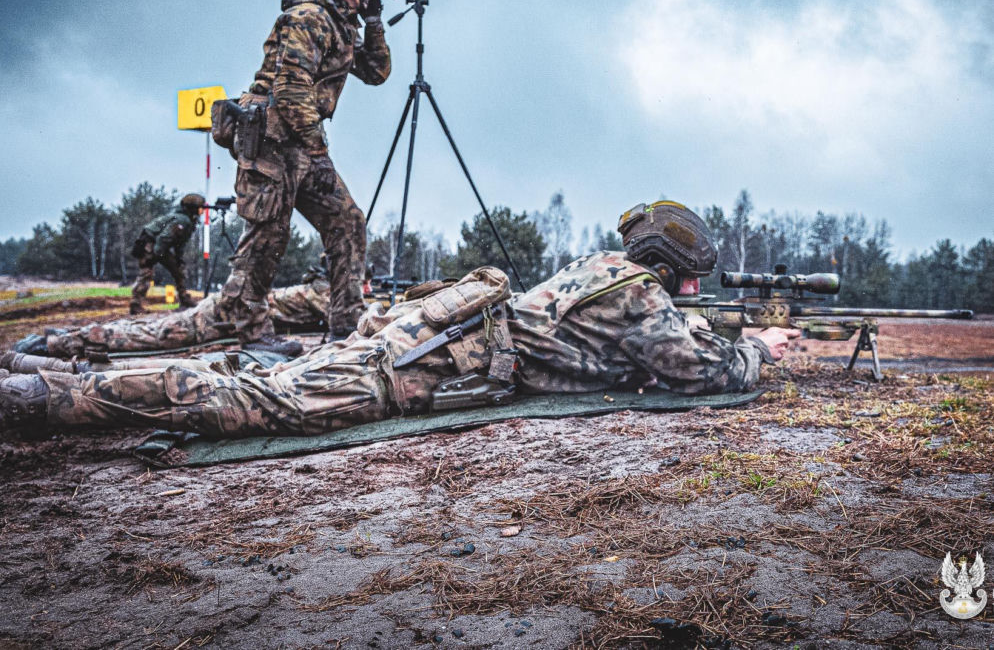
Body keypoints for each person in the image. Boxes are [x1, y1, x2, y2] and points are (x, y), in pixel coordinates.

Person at [0, 201, 797, 437]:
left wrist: (725, 329)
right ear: (674, 270)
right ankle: (37, 401)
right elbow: (702, 375)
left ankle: (48, 375)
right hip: (418, 365)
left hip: (422, 339)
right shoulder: (641, 297)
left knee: (255, 374)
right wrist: (758, 348)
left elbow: (642, 341)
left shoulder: (603, 272)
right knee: (243, 401)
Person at [216, 0, 391, 354]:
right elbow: (292, 90)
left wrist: (375, 20)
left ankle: (346, 327)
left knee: (347, 222)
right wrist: (318, 152)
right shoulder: (309, 17)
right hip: (274, 144)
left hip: (302, 144)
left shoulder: (339, 22)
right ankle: (251, 335)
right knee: (266, 239)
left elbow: (377, 71)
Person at [9, 268, 333, 359]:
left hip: (231, 313)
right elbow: (341, 316)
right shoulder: (322, 292)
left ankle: (59, 338)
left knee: (151, 329)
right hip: (221, 315)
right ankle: (52, 344)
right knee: (152, 335)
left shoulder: (317, 287)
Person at [129, 193, 205, 314]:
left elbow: (180, 244)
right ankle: (135, 304)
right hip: (150, 244)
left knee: (178, 270)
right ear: (193, 209)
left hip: (158, 246)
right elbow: (164, 238)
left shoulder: (186, 221)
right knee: (146, 273)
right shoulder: (182, 220)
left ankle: (184, 298)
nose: (202, 212)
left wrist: (178, 259)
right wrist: (154, 256)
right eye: (201, 209)